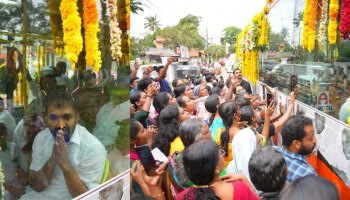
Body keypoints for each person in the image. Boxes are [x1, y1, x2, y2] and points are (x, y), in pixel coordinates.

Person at [21, 90, 106, 199]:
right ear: (46, 119)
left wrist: (66, 166)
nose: (60, 125)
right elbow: (37, 186)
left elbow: (87, 198)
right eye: (53, 118)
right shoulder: (41, 138)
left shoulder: (92, 147)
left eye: (67, 117)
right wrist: (52, 161)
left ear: (77, 118)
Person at [176, 140, 258, 200]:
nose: (222, 154)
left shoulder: (183, 196)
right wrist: (247, 184)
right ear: (216, 168)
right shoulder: (240, 189)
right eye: (220, 153)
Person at [276, 116, 317, 182]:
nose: (315, 140)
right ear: (296, 144)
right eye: (311, 137)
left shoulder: (273, 151)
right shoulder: (307, 174)